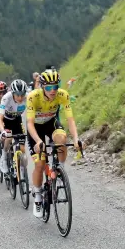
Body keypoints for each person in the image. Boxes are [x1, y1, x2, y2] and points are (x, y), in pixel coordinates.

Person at [26, 69, 81, 218]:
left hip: (51, 123)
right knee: (40, 163)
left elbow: (70, 119)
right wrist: (38, 141)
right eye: (49, 87)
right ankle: (37, 195)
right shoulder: (33, 97)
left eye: (55, 86)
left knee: (62, 139)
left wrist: (76, 138)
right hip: (35, 128)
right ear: (42, 86)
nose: (53, 90)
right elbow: (29, 123)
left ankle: (59, 169)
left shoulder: (63, 95)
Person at [0, 79, 28, 173]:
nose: (20, 97)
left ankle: (22, 175)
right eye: (18, 95)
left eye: (22, 94)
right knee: (8, 137)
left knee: (22, 149)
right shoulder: (6, 98)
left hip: (17, 120)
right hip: (6, 121)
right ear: (12, 92)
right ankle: (4, 157)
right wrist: (2, 131)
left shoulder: (28, 97)